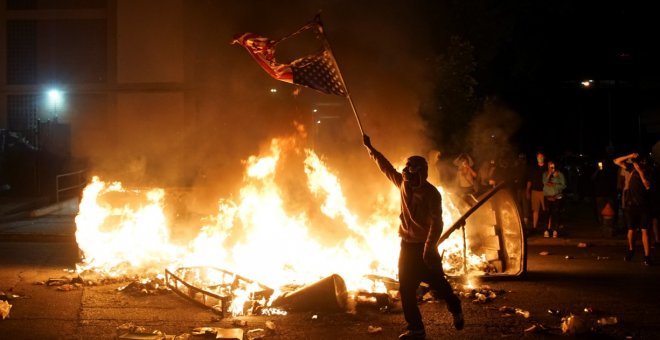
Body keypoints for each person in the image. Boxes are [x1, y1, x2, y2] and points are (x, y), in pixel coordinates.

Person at [363, 134, 463, 339]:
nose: (407, 174)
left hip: (426, 246)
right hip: (407, 245)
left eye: (411, 171)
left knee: (438, 284)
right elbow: (386, 167)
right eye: (406, 170)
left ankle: (455, 307)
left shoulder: (432, 194)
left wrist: (428, 248)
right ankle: (416, 328)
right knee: (406, 288)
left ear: (421, 174)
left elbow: (437, 223)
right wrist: (371, 148)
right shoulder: (402, 184)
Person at [614, 152, 652, 266]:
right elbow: (616, 161)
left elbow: (647, 186)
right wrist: (629, 156)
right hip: (631, 205)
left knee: (645, 230)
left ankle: (647, 256)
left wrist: (640, 172)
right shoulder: (631, 168)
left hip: (644, 205)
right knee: (631, 230)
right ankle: (631, 250)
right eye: (640, 161)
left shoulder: (649, 171)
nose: (641, 163)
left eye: (643, 161)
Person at [542, 160, 566, 238]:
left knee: (556, 213)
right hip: (547, 196)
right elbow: (544, 182)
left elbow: (564, 185)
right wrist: (549, 174)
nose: (551, 167)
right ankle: (546, 230)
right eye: (549, 165)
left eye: (552, 165)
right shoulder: (545, 174)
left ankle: (555, 230)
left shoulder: (560, 174)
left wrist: (555, 184)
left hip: (557, 196)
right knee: (547, 213)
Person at [526, 152, 547, 234]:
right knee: (535, 210)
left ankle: (547, 227)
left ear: (544, 157)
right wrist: (528, 191)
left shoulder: (546, 167)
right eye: (538, 156)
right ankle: (535, 227)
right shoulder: (533, 168)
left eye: (541, 156)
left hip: (544, 191)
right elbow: (530, 180)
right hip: (535, 191)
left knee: (546, 209)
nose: (540, 158)